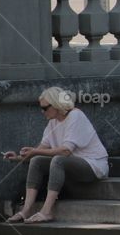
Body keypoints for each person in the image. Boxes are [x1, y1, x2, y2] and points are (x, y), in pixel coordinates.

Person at [6, 87, 108, 224]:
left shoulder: (75, 116)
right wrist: (17, 157)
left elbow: (66, 151)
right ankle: (25, 211)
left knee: (58, 160)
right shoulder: (52, 123)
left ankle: (46, 212)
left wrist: (35, 151)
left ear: (56, 105)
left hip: (93, 165)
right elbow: (39, 149)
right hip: (71, 165)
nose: (42, 112)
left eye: (45, 108)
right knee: (36, 161)